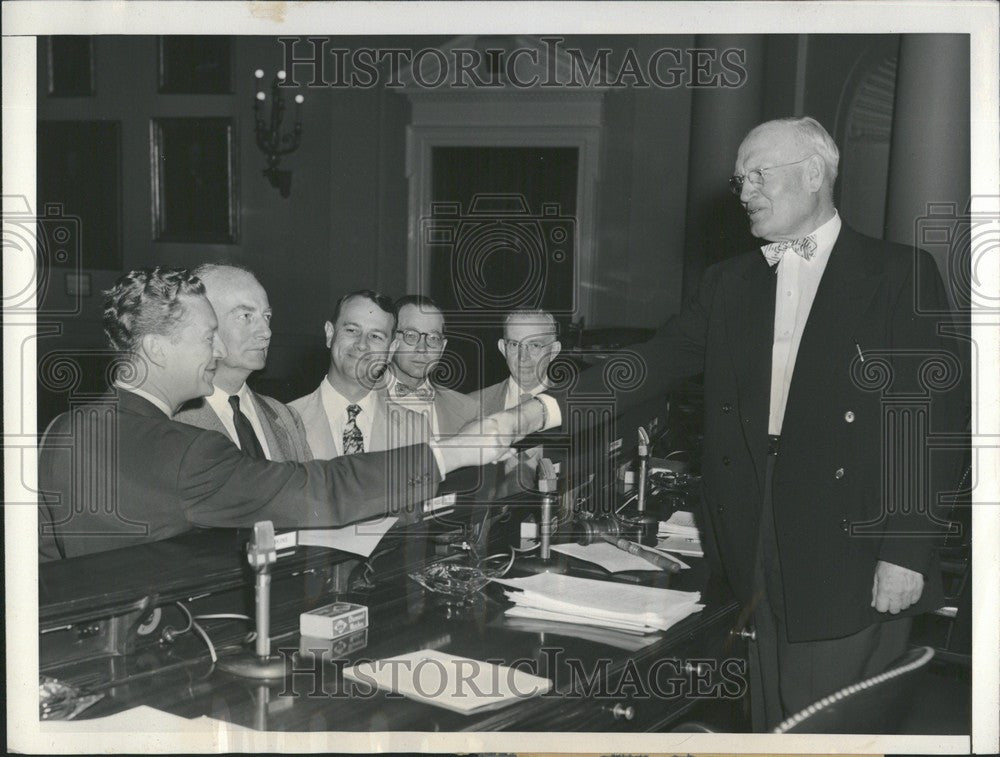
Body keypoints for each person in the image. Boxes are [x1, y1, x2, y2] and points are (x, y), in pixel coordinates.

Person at [506, 117, 965, 730]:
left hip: (851, 544)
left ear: (812, 174)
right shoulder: (730, 282)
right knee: (765, 717)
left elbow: (930, 425)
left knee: (826, 727)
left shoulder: (898, 273)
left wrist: (907, 551)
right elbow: (652, 362)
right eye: (739, 179)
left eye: (758, 174)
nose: (744, 190)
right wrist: (542, 410)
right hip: (751, 531)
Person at [37, 268, 515, 561]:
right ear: (158, 350)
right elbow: (320, 489)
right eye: (208, 336)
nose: (217, 346)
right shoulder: (188, 450)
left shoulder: (62, 430)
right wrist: (451, 452)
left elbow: (43, 556)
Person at [173, 263, 311, 461]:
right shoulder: (169, 421)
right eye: (246, 316)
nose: (266, 332)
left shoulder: (286, 419)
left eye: (267, 316)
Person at [291, 291, 432, 458]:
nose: (362, 345)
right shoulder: (287, 422)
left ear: (391, 350)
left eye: (375, 336)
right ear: (330, 334)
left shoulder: (415, 430)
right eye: (351, 330)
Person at [387, 294, 478, 438]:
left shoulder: (468, 411)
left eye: (433, 338)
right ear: (391, 339)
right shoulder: (362, 398)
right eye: (411, 335)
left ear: (442, 347)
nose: (422, 348)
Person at [470, 309, 562, 415]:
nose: (523, 357)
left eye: (535, 345)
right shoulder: (471, 405)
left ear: (554, 351)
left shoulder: (572, 406)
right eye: (514, 344)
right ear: (503, 349)